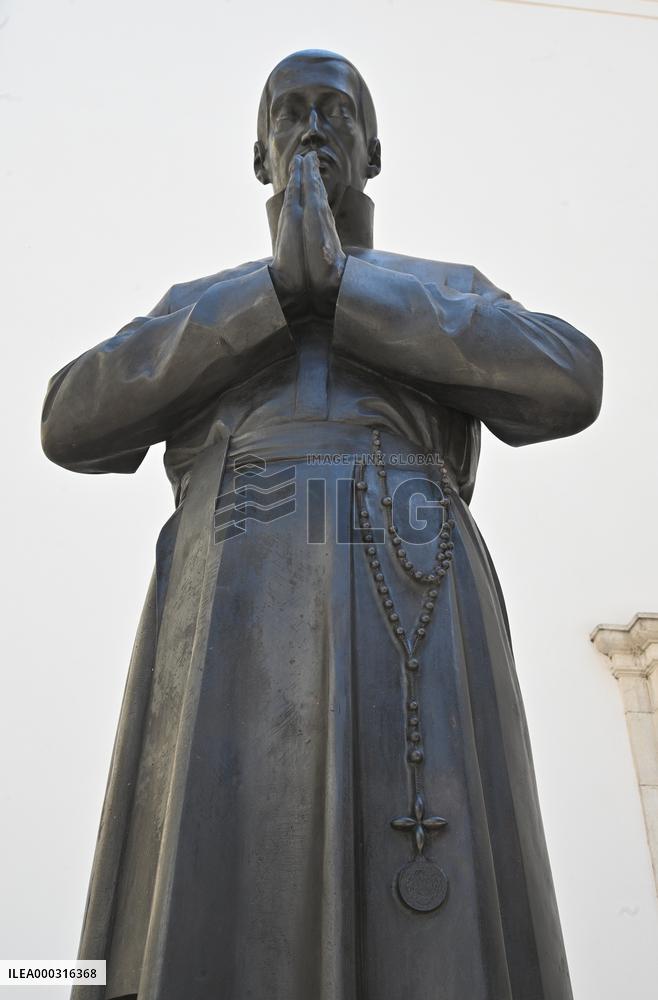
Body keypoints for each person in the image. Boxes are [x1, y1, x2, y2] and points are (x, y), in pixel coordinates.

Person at [42, 49, 603, 1000]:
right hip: (229, 605)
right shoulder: (198, 307)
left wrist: (350, 294)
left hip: (410, 592)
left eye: (334, 112)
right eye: (289, 112)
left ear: (372, 149)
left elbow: (568, 380)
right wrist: (272, 297)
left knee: (437, 921)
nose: (311, 128)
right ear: (259, 155)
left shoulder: (444, 288)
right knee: (211, 894)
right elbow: (72, 421)